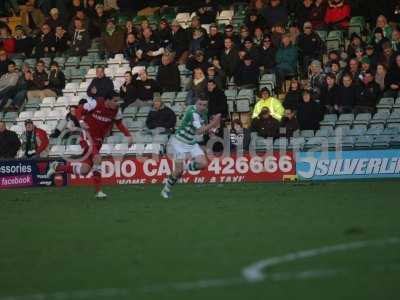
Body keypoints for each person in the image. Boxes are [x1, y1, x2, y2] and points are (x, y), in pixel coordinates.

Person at [47, 94, 133, 199]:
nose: (117, 104)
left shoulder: (116, 111)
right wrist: (81, 122)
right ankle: (98, 192)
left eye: (118, 102)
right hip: (87, 135)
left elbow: (119, 124)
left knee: (85, 170)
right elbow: (79, 110)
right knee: (97, 158)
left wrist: (128, 135)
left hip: (98, 140)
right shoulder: (95, 103)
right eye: (115, 101)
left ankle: (56, 166)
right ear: (108, 100)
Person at [161, 98, 221, 199]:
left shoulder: (204, 112)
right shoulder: (192, 113)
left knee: (204, 164)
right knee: (177, 172)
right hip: (178, 143)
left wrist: (210, 131)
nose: (202, 107)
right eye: (200, 104)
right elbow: (198, 131)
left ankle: (183, 168)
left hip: (191, 143)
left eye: (204, 105)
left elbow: (204, 125)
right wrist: (214, 123)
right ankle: (166, 189)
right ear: (196, 103)